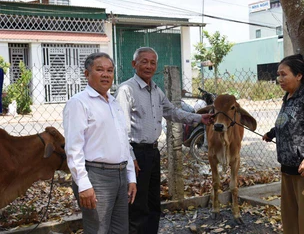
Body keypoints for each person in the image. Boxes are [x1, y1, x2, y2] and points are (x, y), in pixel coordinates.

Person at [114, 47, 214, 234]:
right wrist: (130, 158)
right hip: (136, 154)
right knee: (137, 204)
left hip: (152, 152)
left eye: (153, 62)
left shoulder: (156, 90)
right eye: (144, 61)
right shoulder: (126, 90)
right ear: (134, 64)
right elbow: (120, 130)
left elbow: (172, 112)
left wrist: (200, 119)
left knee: (153, 202)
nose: (149, 66)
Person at [63, 52, 137, 233]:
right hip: (96, 176)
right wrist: (84, 184)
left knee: (120, 230)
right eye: (99, 70)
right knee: (98, 230)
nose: (106, 74)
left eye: (110, 70)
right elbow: (74, 149)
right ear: (87, 74)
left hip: (120, 175)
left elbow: (124, 143)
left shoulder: (113, 103)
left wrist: (131, 177)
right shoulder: (79, 103)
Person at [262, 54, 304, 234]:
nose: (279, 79)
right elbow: (283, 122)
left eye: (284, 74)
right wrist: (271, 133)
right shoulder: (288, 97)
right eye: (278, 75)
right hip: (287, 168)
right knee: (290, 220)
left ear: (299, 75)